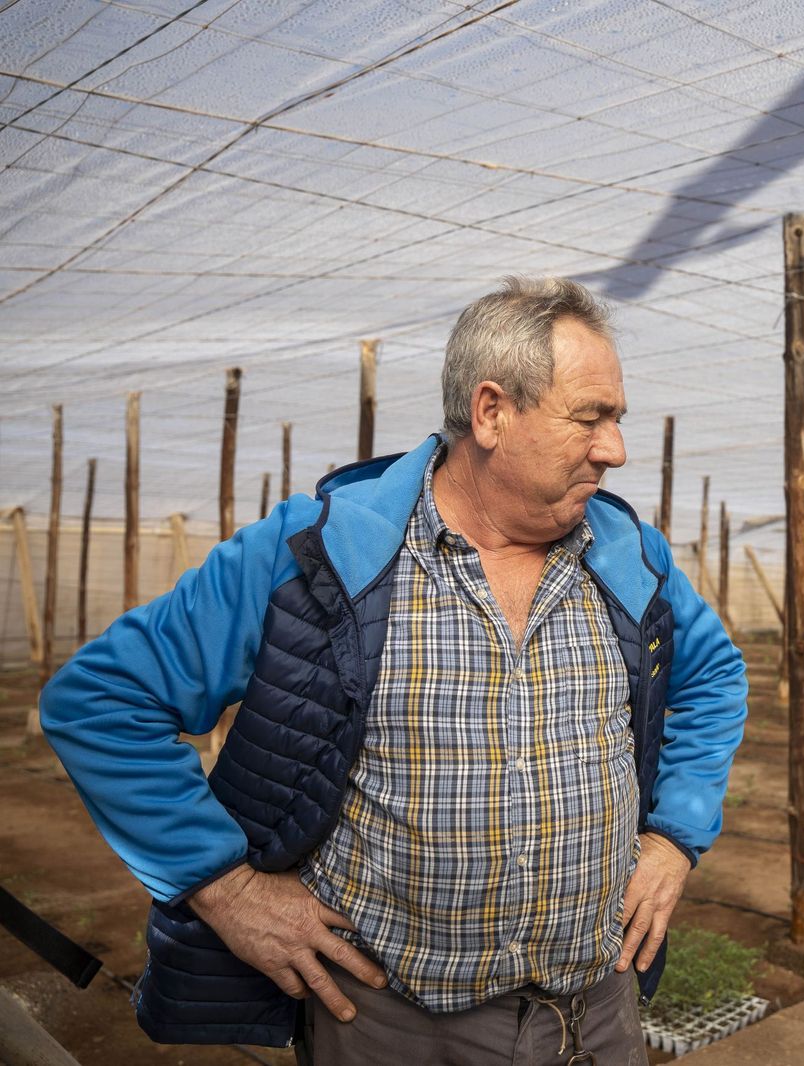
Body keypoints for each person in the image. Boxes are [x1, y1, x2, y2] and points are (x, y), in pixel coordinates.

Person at [41, 276, 748, 1064]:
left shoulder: (628, 557)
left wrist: (675, 838)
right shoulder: (316, 557)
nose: (614, 448)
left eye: (616, 419)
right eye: (591, 417)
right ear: (491, 412)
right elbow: (100, 701)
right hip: (394, 1027)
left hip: (597, 1013)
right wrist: (226, 888)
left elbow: (715, 679)